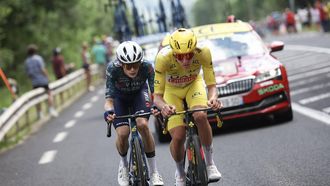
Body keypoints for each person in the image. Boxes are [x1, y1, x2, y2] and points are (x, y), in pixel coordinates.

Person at [153, 28, 222, 186]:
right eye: (179, 56)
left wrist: (213, 99)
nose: (185, 61)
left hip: (193, 85)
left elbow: (211, 86)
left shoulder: (203, 52)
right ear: (173, 52)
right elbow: (157, 97)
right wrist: (163, 107)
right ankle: (180, 171)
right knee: (178, 136)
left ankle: (210, 164)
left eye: (189, 55)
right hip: (171, 92)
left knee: (200, 116)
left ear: (194, 50)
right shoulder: (163, 58)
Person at [103, 41, 164, 186]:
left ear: (140, 62)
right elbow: (109, 100)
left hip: (139, 95)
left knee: (142, 124)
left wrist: (157, 106)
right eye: (128, 66)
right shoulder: (112, 69)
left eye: (135, 65)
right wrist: (108, 112)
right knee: (123, 133)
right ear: (120, 64)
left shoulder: (147, 67)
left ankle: (154, 172)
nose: (132, 69)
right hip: (119, 98)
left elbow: (156, 94)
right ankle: (124, 166)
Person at [24, 44, 58, 118]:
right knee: (49, 94)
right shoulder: (38, 58)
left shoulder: (27, 61)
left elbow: (28, 74)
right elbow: (42, 69)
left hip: (34, 82)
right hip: (42, 81)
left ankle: (40, 113)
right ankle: (51, 109)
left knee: (37, 98)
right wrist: (47, 77)